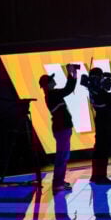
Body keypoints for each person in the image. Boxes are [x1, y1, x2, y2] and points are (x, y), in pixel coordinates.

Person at [38, 64, 79, 193]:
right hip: (62, 128)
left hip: (62, 128)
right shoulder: (52, 94)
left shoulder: (52, 94)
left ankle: (59, 181)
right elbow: (68, 89)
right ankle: (58, 183)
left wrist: (73, 74)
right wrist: (70, 73)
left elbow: (68, 89)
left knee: (63, 156)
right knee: (62, 156)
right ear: (47, 84)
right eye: (51, 80)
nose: (53, 80)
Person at [87, 68, 111, 186]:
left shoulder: (93, 89)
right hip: (105, 122)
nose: (103, 79)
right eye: (101, 77)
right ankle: (101, 176)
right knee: (103, 150)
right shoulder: (98, 91)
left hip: (101, 121)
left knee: (99, 150)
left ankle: (95, 175)